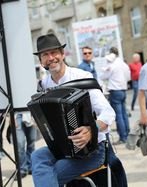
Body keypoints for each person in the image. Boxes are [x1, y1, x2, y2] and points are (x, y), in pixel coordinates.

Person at [31, 33, 117, 186]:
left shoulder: (82, 77)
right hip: (62, 148)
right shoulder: (43, 86)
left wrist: (92, 129)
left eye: (54, 52)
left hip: (92, 151)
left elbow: (109, 113)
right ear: (41, 60)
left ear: (62, 54)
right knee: (38, 156)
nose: (51, 58)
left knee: (49, 175)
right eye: (45, 54)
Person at [100, 47, 131, 144]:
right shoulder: (123, 64)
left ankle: (123, 138)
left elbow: (103, 76)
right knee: (124, 114)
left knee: (119, 115)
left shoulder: (112, 64)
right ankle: (127, 134)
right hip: (123, 90)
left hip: (115, 90)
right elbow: (128, 77)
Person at [14, 111, 36, 178]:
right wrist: (11, 118)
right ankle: (22, 169)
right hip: (17, 115)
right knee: (20, 144)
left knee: (31, 143)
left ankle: (31, 166)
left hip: (30, 114)